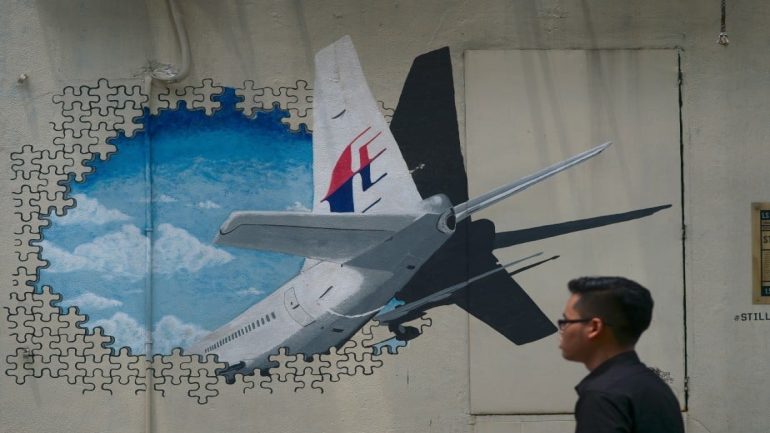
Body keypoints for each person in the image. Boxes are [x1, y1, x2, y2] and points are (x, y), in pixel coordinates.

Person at [558, 276, 684, 433]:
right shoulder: (655, 386)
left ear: (594, 327)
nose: (562, 330)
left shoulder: (602, 395)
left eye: (566, 321)